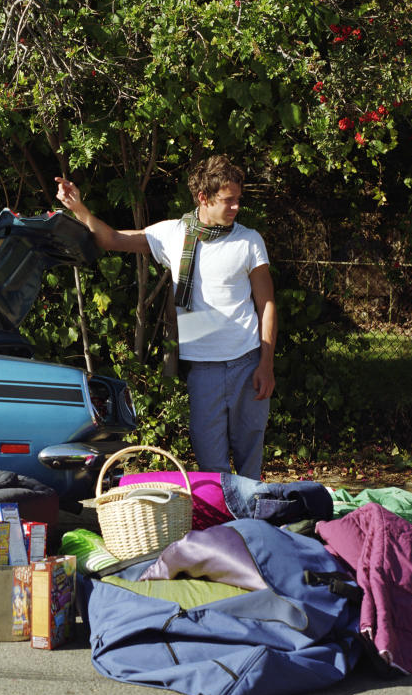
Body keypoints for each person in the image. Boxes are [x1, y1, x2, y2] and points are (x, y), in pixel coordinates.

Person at [55, 154, 276, 479]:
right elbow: (113, 239)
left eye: (238, 200)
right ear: (204, 198)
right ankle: (225, 528)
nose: (235, 208)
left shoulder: (249, 240)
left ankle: (253, 527)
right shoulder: (174, 234)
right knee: (211, 467)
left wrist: (266, 364)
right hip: (203, 369)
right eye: (228, 201)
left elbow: (267, 303)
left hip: (247, 363)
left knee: (249, 464)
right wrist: (79, 209)